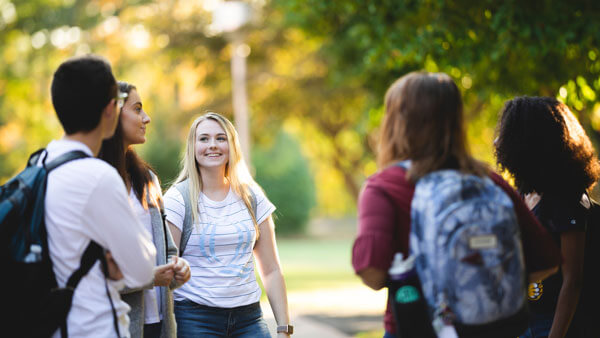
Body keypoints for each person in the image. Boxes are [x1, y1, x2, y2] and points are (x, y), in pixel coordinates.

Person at [352, 72, 561, 338]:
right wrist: (481, 295)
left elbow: (372, 273)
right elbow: (547, 262)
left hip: (418, 328)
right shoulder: (489, 182)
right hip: (492, 331)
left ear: (397, 122)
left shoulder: (384, 186)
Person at [44, 55, 156, 337]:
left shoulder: (41, 163)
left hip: (52, 324)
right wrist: (114, 267)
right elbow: (143, 269)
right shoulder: (98, 177)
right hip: (93, 326)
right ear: (110, 110)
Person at [163, 112, 292, 337]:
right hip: (195, 319)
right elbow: (167, 272)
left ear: (232, 145)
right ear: (192, 147)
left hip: (249, 319)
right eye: (204, 139)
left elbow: (271, 270)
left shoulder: (252, 196)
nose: (213, 145)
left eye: (221, 138)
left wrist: (284, 329)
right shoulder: (177, 199)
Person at [494, 96, 600, 338]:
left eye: (509, 133)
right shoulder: (524, 193)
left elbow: (573, 281)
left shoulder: (568, 198)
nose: (499, 141)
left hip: (557, 324)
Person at [99, 81, 192, 338]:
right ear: (113, 114)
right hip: (117, 326)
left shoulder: (148, 179)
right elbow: (93, 272)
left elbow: (167, 250)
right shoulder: (94, 182)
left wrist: (178, 268)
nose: (146, 118)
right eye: (137, 109)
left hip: (159, 324)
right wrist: (149, 277)